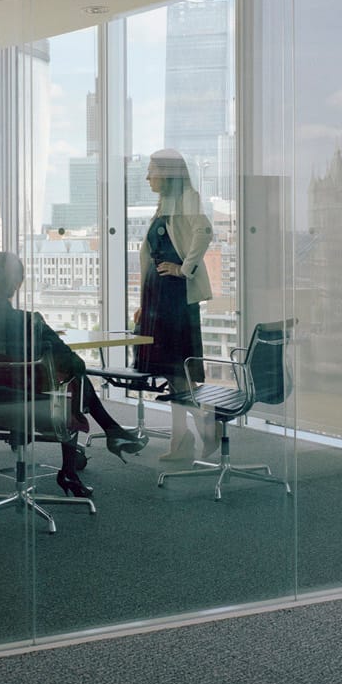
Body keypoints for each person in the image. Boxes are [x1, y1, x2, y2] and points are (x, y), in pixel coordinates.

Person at [0, 251, 144, 498]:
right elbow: (76, 364)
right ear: (19, 283)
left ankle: (108, 435)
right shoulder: (30, 322)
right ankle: (78, 462)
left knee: (70, 384)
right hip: (31, 407)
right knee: (73, 383)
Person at [134, 149, 214, 461]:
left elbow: (204, 231)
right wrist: (143, 303)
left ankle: (202, 426)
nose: (147, 177)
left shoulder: (187, 198)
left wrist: (184, 269)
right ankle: (182, 438)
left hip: (174, 298)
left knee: (177, 370)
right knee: (172, 372)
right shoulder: (165, 204)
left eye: (152, 170)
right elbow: (151, 256)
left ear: (167, 172)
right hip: (157, 297)